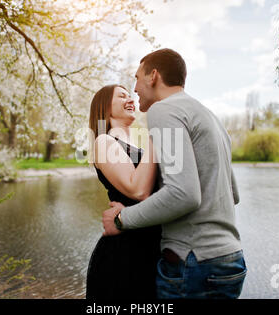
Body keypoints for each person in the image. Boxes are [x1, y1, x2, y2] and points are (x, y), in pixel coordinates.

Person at [102, 48, 247, 299]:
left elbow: (183, 195)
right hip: (230, 260)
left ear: (153, 76)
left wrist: (121, 220)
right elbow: (232, 194)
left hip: (193, 263)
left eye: (137, 78)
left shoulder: (164, 110)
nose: (135, 88)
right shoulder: (210, 117)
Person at [86, 84, 161, 299]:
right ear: (105, 107)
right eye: (121, 96)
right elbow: (137, 189)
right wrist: (157, 132)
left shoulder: (139, 147)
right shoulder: (104, 141)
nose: (131, 99)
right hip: (125, 253)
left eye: (130, 95)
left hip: (149, 247)